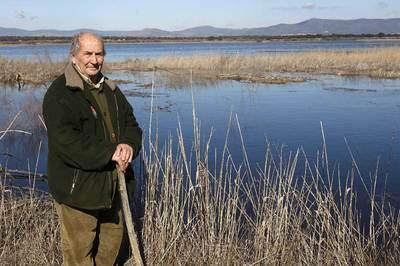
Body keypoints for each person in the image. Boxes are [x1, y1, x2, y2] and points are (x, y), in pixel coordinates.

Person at [42, 32, 142, 266]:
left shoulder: (111, 90)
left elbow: (131, 125)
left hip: (114, 187)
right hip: (79, 192)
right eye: (88, 53)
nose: (94, 60)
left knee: (110, 251)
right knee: (79, 257)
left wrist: (128, 145)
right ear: (74, 56)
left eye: (99, 54)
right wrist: (110, 152)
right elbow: (66, 142)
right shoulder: (60, 93)